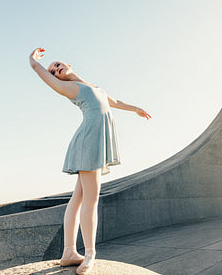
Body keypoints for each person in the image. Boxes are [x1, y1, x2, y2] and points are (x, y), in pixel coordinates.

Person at [29, 47, 151, 274]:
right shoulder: (70, 88)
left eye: (57, 64)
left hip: (92, 143)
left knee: (79, 197)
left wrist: (136, 109)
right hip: (89, 143)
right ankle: (90, 253)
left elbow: (114, 101)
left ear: (68, 65)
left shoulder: (92, 87)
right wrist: (33, 60)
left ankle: (68, 252)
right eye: (54, 71)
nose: (56, 69)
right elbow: (41, 74)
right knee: (90, 200)